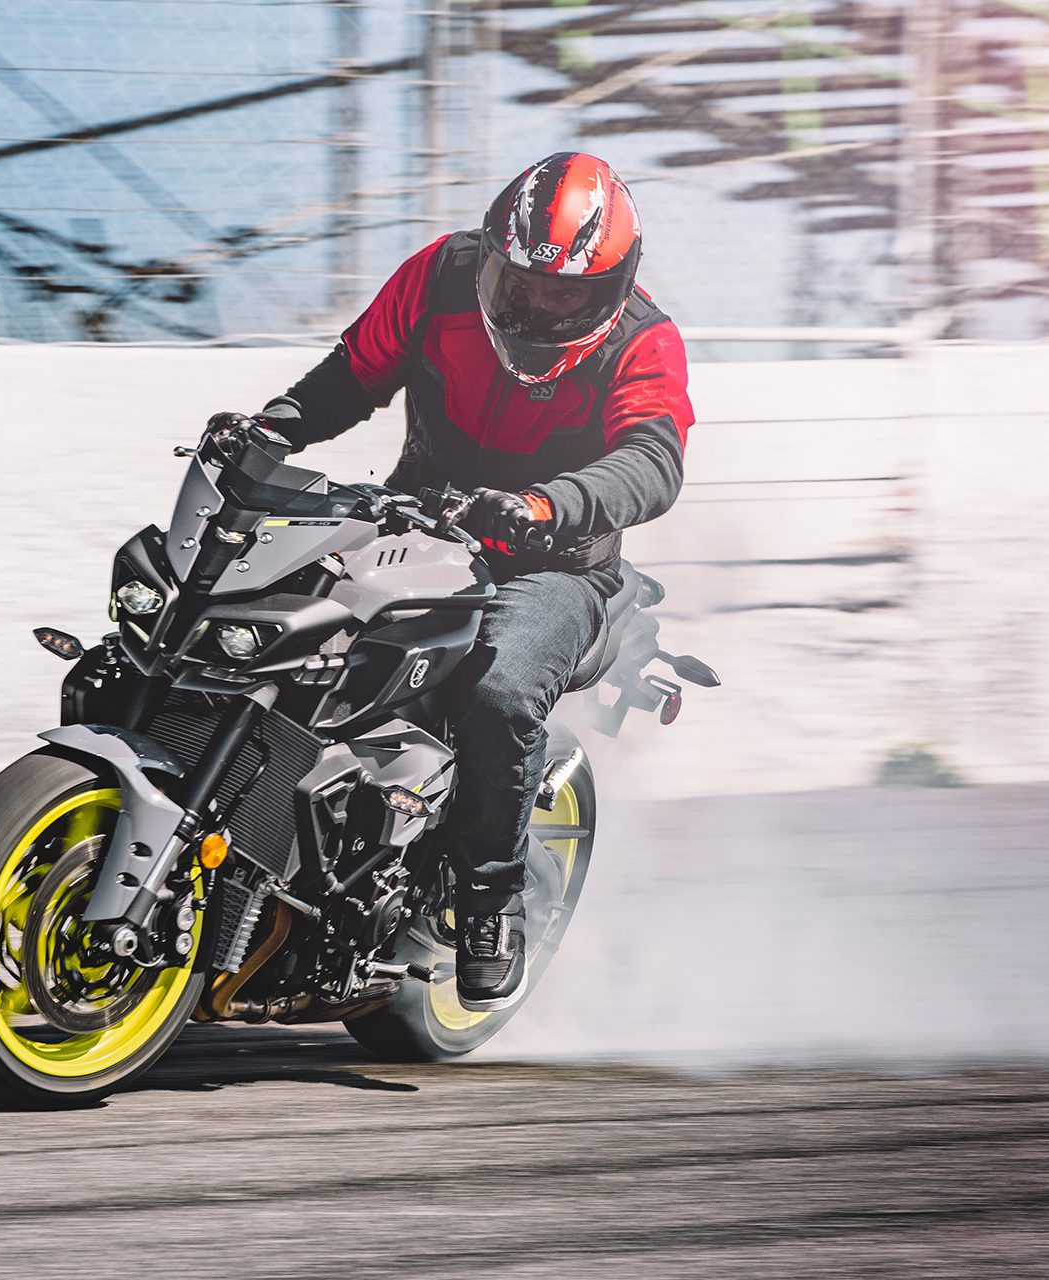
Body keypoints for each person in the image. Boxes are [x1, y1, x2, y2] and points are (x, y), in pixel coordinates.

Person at [215, 151, 692, 1010]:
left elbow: (654, 462)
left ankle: (489, 902)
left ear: (613, 286)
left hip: (555, 563)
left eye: (566, 295)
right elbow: (349, 376)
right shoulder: (439, 278)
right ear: (490, 256)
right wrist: (269, 430)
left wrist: (548, 506)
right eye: (522, 283)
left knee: (502, 689)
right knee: (267, 622)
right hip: (414, 524)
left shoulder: (642, 340)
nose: (539, 306)